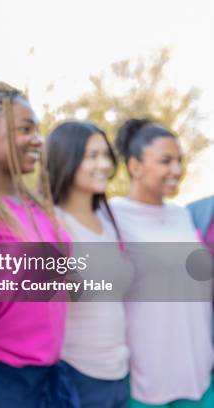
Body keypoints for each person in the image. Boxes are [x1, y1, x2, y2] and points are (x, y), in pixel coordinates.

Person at [0, 77, 78, 408]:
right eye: (25, 129)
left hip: (51, 375)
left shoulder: (35, 205)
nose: (37, 140)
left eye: (37, 130)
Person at [110, 118, 214, 407]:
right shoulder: (114, 216)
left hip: (199, 374)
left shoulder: (182, 215)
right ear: (135, 166)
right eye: (166, 161)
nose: (177, 171)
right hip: (147, 382)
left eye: (179, 161)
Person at [46, 121, 133, 408]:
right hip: (77, 374)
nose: (104, 164)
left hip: (119, 372)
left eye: (106, 155)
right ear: (66, 158)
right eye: (91, 156)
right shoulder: (53, 224)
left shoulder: (109, 222)